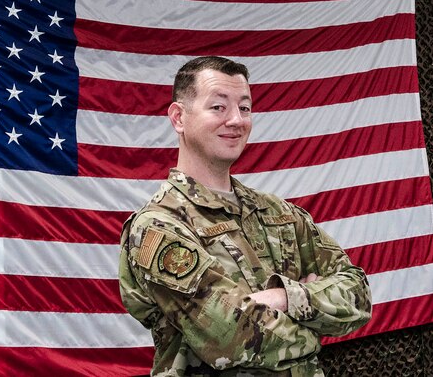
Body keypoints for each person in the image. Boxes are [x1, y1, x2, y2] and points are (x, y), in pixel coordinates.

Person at [119, 56, 372, 376]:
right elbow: (233, 337)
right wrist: (313, 324)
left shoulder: (279, 214)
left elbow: (358, 295)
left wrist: (284, 298)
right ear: (179, 118)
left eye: (245, 107)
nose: (236, 120)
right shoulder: (158, 228)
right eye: (218, 107)